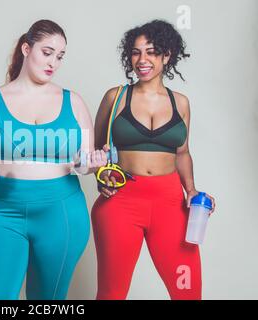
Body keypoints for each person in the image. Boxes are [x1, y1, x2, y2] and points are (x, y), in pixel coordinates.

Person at [0, 19, 107, 300]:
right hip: (1, 211)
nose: (53, 62)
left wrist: (94, 162)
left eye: (60, 56)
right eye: (47, 52)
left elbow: (83, 164)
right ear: (26, 48)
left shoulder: (74, 102)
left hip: (62, 213)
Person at [92, 20, 216, 300]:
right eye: (136, 53)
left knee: (187, 292)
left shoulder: (180, 103)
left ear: (166, 55)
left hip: (170, 203)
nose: (142, 60)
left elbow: (182, 152)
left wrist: (192, 189)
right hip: (120, 203)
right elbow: (95, 151)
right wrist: (102, 175)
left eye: (151, 52)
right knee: (112, 293)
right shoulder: (116, 97)